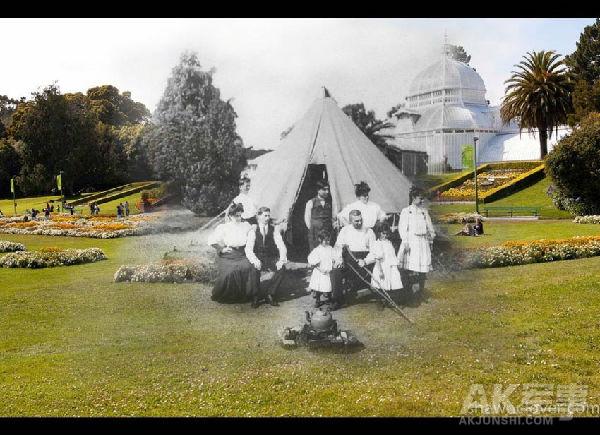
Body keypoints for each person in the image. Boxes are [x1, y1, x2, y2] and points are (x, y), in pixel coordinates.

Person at [207, 203, 255, 303]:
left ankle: (246, 294)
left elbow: (252, 235)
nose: (238, 218)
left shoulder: (245, 226)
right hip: (228, 255)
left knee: (249, 267)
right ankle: (229, 295)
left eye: (240, 215)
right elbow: (211, 240)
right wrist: (221, 249)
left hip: (241, 254)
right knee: (230, 271)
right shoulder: (224, 227)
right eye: (236, 216)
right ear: (230, 216)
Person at [245, 207, 287, 308]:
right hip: (258, 256)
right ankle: (255, 296)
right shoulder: (253, 230)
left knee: (282, 268)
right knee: (253, 268)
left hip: (270, 257)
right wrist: (255, 260)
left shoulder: (274, 229)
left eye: (268, 216)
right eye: (265, 216)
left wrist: (281, 260)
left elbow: (281, 246)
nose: (267, 218)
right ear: (259, 216)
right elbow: (248, 249)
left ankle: (270, 294)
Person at [397, 186, 436, 294]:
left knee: (423, 266)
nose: (422, 201)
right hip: (411, 241)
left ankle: (421, 289)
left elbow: (429, 226)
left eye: (423, 198)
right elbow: (402, 228)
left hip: (422, 242)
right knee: (408, 266)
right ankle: (407, 289)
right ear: (413, 197)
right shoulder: (407, 211)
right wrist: (405, 242)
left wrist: (431, 236)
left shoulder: (424, 211)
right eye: (420, 198)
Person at [335, 209, 376, 306]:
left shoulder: (369, 231)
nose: (360, 222)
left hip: (364, 260)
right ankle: (337, 300)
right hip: (349, 260)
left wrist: (366, 261)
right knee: (335, 272)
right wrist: (338, 260)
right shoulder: (345, 230)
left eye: (361, 220)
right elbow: (338, 247)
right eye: (356, 221)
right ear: (350, 221)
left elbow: (374, 251)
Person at [364, 223, 403, 295]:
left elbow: (392, 255)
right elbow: (377, 258)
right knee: (383, 284)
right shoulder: (378, 243)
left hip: (390, 266)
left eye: (386, 234)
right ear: (379, 233)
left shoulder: (388, 242)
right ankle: (383, 297)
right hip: (383, 266)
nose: (385, 235)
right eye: (383, 233)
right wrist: (380, 271)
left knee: (393, 283)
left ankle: (391, 296)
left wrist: (396, 263)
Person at [307, 229, 342, 308]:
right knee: (318, 286)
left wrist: (336, 262)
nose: (327, 242)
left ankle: (329, 298)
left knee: (328, 285)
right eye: (325, 240)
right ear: (320, 240)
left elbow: (336, 257)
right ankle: (318, 300)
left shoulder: (330, 249)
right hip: (319, 271)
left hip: (328, 270)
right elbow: (311, 260)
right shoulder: (317, 250)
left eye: (328, 240)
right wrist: (318, 267)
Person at [304, 180, 333, 251]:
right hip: (315, 233)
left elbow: (331, 217)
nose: (327, 192)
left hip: (326, 232)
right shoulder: (311, 202)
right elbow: (307, 217)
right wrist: (312, 228)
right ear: (318, 190)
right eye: (324, 189)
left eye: (328, 189)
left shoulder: (329, 203)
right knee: (315, 251)